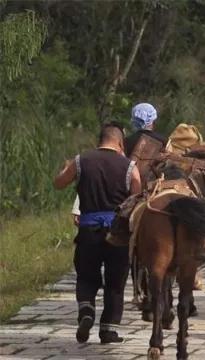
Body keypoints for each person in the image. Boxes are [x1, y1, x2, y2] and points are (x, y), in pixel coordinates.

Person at [53, 122, 141, 344]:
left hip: (88, 231)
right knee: (115, 282)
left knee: (86, 275)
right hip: (117, 233)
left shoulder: (82, 160)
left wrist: (64, 168)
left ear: (99, 140)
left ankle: (86, 311)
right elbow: (137, 198)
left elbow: (59, 184)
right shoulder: (130, 166)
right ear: (120, 142)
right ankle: (108, 330)